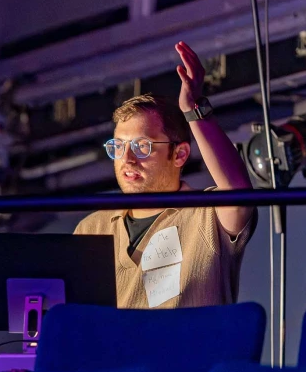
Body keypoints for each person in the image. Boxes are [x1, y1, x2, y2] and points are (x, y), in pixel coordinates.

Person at [74, 41, 256, 308]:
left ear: (180, 155)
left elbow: (237, 192)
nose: (128, 158)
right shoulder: (92, 228)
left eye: (142, 146)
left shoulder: (205, 214)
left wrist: (194, 110)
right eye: (119, 147)